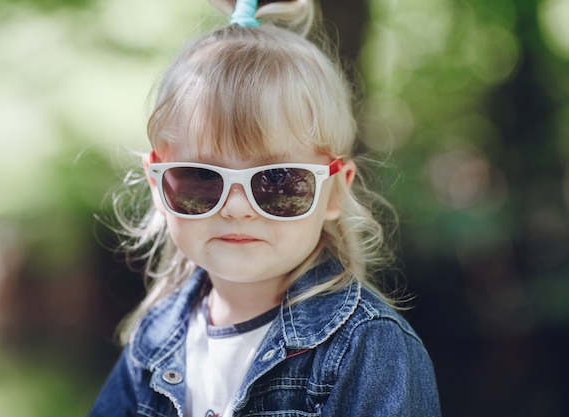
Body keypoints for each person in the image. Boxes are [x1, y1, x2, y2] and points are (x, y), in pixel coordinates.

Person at [89, 0, 441, 416]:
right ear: (157, 186)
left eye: (277, 181)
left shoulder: (368, 349)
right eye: (201, 178)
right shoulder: (154, 338)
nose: (237, 208)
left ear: (332, 194)